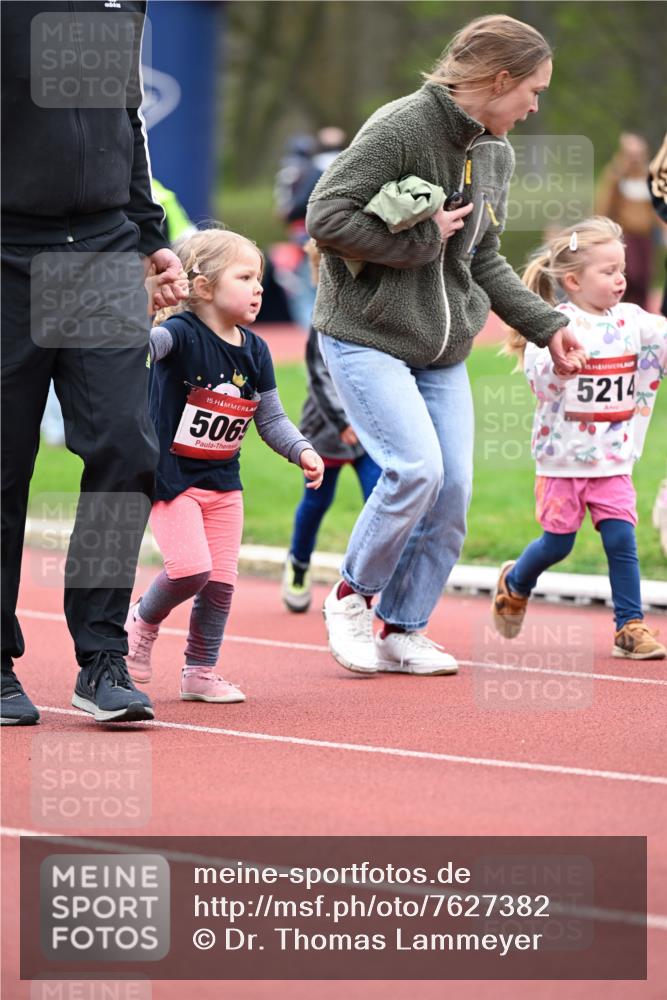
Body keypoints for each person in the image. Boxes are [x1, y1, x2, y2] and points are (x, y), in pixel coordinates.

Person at [305, 14, 586, 677]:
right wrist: (421, 237)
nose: (535, 106)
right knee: (415, 470)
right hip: (366, 335)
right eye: (534, 91)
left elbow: (481, 258)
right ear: (500, 79)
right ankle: (349, 598)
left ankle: (401, 628)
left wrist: (547, 324)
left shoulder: (496, 153)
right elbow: (325, 217)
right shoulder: (401, 126)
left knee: (452, 488)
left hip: (443, 349)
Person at [1, 2, 186, 726]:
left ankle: (102, 656)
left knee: (125, 446)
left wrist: (148, 232)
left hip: (102, 250)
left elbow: (126, 119)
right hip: (8, 250)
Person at [125, 228, 324, 702]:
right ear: (204, 286)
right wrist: (145, 307)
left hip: (223, 483)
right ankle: (142, 620)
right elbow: (135, 349)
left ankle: (200, 670)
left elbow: (270, 418)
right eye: (245, 277)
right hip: (171, 479)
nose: (260, 287)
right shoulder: (177, 334)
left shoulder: (256, 350)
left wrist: (302, 449)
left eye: (259, 277)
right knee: (189, 570)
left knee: (219, 584)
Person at [493, 217, 667, 659]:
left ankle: (629, 626)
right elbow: (539, 378)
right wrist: (560, 367)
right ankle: (516, 581)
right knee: (558, 544)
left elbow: (663, 339)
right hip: (562, 460)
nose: (620, 278)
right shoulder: (553, 326)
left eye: (621, 269)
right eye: (608, 271)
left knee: (621, 541)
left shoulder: (633, 321)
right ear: (573, 281)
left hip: (612, 459)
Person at [282, 243, 381, 613]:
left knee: (379, 498)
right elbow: (318, 375)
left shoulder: (375, 312)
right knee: (317, 501)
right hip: (328, 429)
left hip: (369, 427)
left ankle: (363, 581)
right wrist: (342, 421)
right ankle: (298, 563)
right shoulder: (323, 318)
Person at [595, 134, 660, 310]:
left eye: (639, 154)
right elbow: (604, 205)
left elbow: (656, 207)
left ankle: (641, 311)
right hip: (625, 235)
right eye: (631, 155)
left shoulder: (649, 177)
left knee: (644, 277)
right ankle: (622, 308)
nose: (635, 159)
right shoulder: (616, 177)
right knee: (630, 274)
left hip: (645, 235)